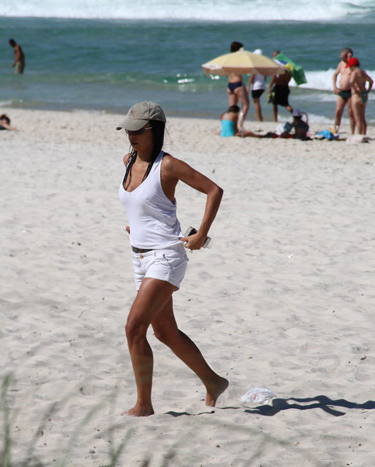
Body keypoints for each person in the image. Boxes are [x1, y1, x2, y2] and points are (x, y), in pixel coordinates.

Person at [116, 101, 229, 417]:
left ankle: (144, 405)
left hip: (166, 256)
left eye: (138, 130)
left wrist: (200, 233)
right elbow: (142, 206)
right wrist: (136, 227)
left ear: (154, 131)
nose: (131, 136)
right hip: (139, 256)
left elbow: (213, 190)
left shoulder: (168, 166)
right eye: (129, 129)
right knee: (165, 333)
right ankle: (214, 382)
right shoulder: (128, 161)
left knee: (133, 328)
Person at [347, 58, 374, 136]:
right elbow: (371, 81)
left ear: (353, 66)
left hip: (356, 96)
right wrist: (368, 90)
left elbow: (351, 82)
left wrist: (355, 89)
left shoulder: (354, 73)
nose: (349, 68)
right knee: (363, 117)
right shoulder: (363, 72)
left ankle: (359, 135)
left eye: (350, 66)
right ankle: (364, 134)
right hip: (364, 95)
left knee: (357, 118)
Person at [331, 47, 354, 134]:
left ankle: (352, 132)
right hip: (341, 91)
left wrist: (349, 60)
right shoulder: (341, 64)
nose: (342, 57)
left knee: (351, 113)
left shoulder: (352, 65)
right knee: (338, 111)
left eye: (343, 56)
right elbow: (335, 74)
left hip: (350, 92)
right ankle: (335, 131)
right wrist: (335, 86)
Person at [227, 41, 250, 127]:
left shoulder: (228, 59)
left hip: (230, 84)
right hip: (238, 83)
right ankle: (240, 124)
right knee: (246, 105)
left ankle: (231, 124)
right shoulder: (240, 59)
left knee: (232, 108)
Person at [268, 51, 293, 122]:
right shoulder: (288, 66)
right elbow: (290, 77)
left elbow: (274, 77)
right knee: (286, 104)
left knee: (274, 104)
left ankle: (275, 120)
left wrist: (270, 87)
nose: (273, 57)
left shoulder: (278, 65)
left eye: (274, 56)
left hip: (278, 87)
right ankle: (295, 116)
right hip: (285, 87)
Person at [247, 49, 267, 122]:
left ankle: (259, 118)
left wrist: (248, 85)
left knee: (256, 102)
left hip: (256, 86)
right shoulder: (264, 65)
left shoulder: (255, 65)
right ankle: (260, 117)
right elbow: (265, 76)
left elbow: (252, 76)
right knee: (257, 101)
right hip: (262, 85)